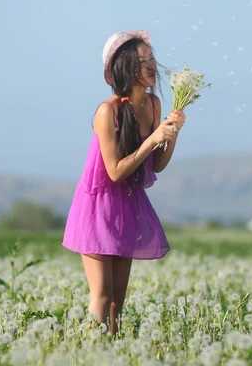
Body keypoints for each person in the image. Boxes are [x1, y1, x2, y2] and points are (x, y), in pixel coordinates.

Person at [62, 30, 186, 337]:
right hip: (97, 207)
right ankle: (89, 352)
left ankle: (111, 351)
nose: (151, 65)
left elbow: (156, 165)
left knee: (118, 302)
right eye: (141, 60)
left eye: (152, 58)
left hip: (128, 204)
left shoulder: (154, 105)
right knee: (101, 297)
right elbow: (115, 172)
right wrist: (153, 139)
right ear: (125, 69)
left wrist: (173, 133)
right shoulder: (108, 111)